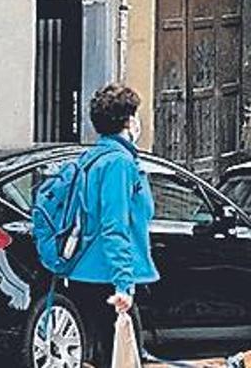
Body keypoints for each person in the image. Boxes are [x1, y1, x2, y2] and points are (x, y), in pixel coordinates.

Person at [65, 84, 158, 368]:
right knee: (123, 359)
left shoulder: (93, 158)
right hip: (108, 279)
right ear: (129, 122)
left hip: (87, 274)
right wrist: (123, 285)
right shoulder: (119, 163)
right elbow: (115, 226)